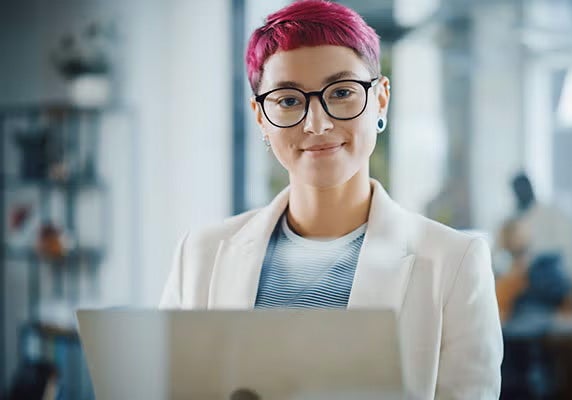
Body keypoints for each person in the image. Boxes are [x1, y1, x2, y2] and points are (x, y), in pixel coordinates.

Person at [160, 1, 502, 398]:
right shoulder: (199, 255)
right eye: (288, 100)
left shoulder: (456, 262)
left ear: (381, 99)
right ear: (260, 117)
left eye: (341, 92)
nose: (317, 123)